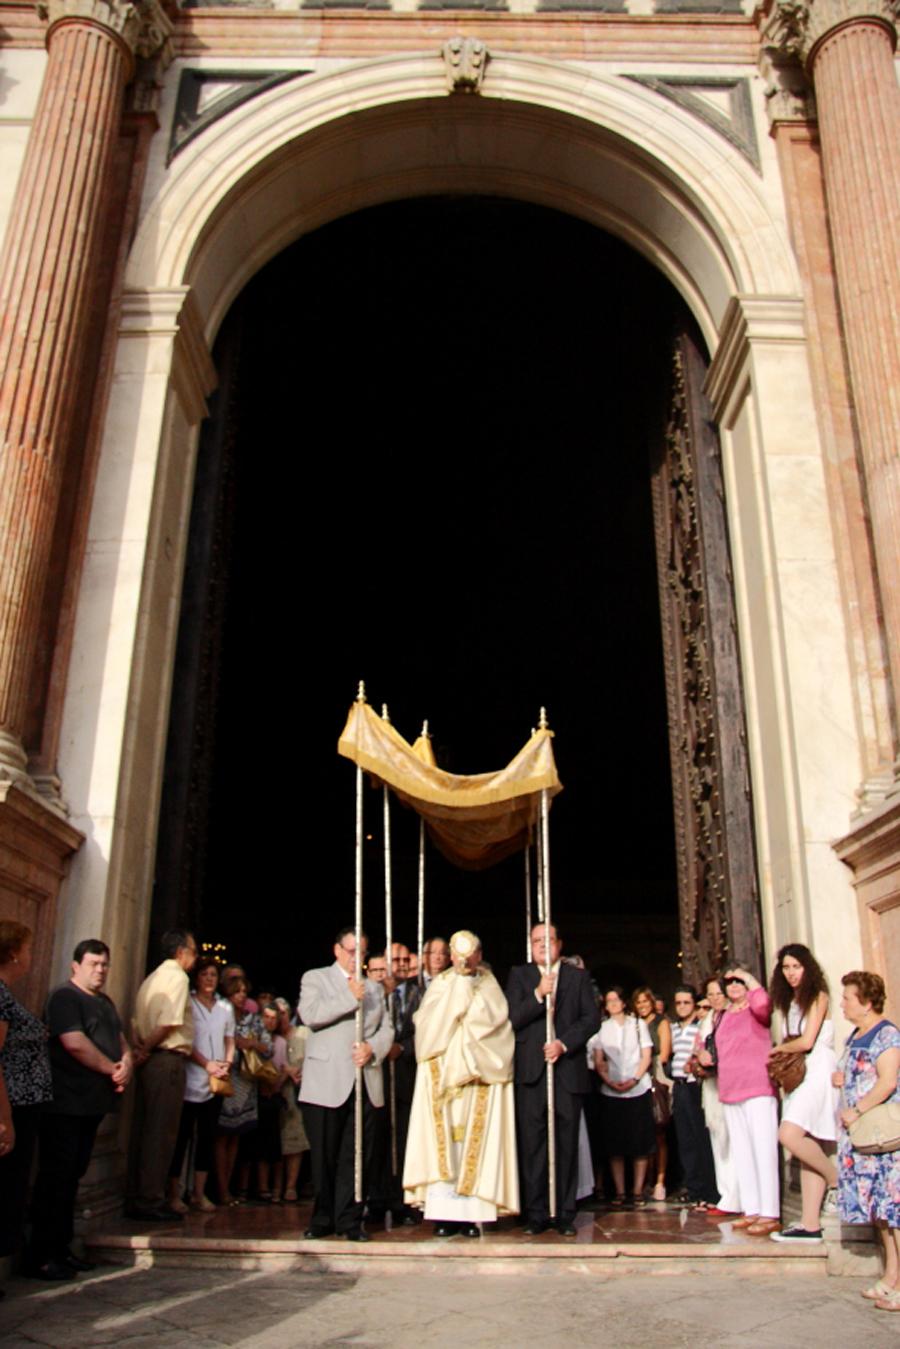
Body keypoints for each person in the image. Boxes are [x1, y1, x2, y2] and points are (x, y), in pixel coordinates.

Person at [26, 939, 131, 1280]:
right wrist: (111, 1068)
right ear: (75, 965)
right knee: (55, 1179)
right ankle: (41, 1254)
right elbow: (74, 1043)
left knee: (72, 1178)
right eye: (93, 963)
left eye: (104, 964)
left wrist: (126, 1061)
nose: (100, 970)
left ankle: (62, 1249)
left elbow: (120, 1038)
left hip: (91, 1106)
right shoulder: (64, 998)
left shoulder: (104, 1002)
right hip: (64, 1104)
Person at [404, 930, 519, 1236]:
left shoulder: (489, 983)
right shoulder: (441, 984)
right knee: (444, 1147)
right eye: (457, 955)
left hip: (478, 1075)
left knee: (474, 1144)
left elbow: (497, 1023)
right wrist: (456, 1001)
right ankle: (444, 1216)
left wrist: (467, 1005)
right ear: (452, 957)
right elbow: (427, 1024)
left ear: (479, 955)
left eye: (470, 954)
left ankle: (470, 1216)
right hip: (442, 1078)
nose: (463, 960)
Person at [299, 927, 394, 1241]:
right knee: (325, 1153)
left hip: (364, 1079)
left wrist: (373, 1048)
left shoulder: (376, 989)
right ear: (337, 950)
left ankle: (350, 1219)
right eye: (352, 951)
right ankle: (323, 1217)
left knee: (358, 1155)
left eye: (362, 952)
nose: (357, 958)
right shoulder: (316, 978)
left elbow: (386, 1028)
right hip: (326, 1081)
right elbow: (310, 1014)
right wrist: (347, 996)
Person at [506, 922, 598, 1234]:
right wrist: (537, 994)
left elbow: (591, 1019)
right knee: (533, 1145)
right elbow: (511, 1018)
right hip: (532, 1074)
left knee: (565, 1144)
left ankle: (565, 1213)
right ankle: (535, 1213)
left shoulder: (577, 977)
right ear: (530, 946)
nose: (543, 945)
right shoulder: (520, 976)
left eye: (549, 939)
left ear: (560, 944)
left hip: (566, 1072)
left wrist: (563, 1043)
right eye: (536, 940)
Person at [834, 970, 900, 1311]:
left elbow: (888, 1081)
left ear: (868, 1002)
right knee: (883, 1214)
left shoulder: (886, 1035)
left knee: (896, 1210)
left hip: (883, 1136)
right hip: (862, 1138)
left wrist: (857, 1109)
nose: (842, 1004)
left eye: (848, 998)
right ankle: (892, 1277)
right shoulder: (856, 1035)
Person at [767, 943, 839, 1243]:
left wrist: (776, 1050)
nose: (791, 973)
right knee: (806, 1141)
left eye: (796, 966)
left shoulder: (818, 996)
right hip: (798, 1076)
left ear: (807, 967)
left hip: (817, 1070)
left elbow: (807, 1040)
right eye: (786, 967)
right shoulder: (789, 1001)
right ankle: (810, 1223)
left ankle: (836, 1180)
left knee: (789, 1135)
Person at [129, 928, 197, 1219]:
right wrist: (148, 1047)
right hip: (166, 1060)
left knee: (147, 1129)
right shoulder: (178, 977)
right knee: (162, 1133)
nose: (196, 956)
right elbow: (169, 1021)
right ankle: (150, 1201)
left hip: (151, 1062)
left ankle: (142, 1194)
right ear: (181, 952)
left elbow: (135, 1021)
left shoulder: (151, 978)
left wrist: (142, 1048)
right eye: (194, 950)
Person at [0, 921, 53, 1284]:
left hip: (22, 1106)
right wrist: (4, 1120)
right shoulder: (1, 998)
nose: (33, 956)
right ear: (14, 953)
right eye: (30, 948)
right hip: (12, 1109)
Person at [715, 963, 779, 1235]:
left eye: (738, 981)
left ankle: (770, 1211)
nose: (733, 986)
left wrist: (750, 979)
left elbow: (764, 1004)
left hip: (757, 1086)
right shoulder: (724, 1014)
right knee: (742, 1153)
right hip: (730, 1089)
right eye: (728, 982)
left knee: (763, 1149)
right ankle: (752, 1208)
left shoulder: (757, 1007)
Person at [167, 955, 234, 1214]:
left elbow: (230, 1039)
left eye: (213, 975)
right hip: (191, 1077)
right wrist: (206, 1063)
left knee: (207, 1137)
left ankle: (199, 1192)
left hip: (216, 1081)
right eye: (205, 974)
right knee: (181, 1137)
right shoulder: (189, 1004)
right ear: (197, 977)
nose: (209, 979)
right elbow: (185, 1040)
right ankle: (174, 1192)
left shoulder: (225, 1008)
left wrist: (226, 1064)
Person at [588, 986, 655, 1207]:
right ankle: (619, 1191)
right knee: (614, 1144)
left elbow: (646, 1055)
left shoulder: (638, 1025)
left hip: (638, 1087)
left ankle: (636, 1190)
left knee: (639, 1142)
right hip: (612, 1089)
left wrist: (634, 1079)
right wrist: (610, 1082)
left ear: (624, 1003)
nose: (613, 1004)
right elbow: (599, 1059)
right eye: (609, 1001)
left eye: (616, 1000)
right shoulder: (601, 1028)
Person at [214, 973, 268, 1204]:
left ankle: (229, 1187)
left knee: (236, 1137)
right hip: (224, 1076)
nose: (241, 995)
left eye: (244, 991)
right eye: (237, 991)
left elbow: (267, 1047)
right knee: (221, 1135)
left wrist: (252, 1043)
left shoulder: (252, 1018)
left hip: (245, 1080)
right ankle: (220, 1189)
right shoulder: (219, 1013)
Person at [668, 984, 718, 1209]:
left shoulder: (701, 1026)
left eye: (686, 1002)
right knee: (685, 1139)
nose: (682, 1007)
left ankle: (709, 1190)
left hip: (695, 1085)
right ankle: (693, 1187)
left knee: (701, 1138)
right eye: (678, 1003)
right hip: (679, 1085)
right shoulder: (673, 1027)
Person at [694, 977, 740, 1217]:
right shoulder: (707, 1021)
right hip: (712, 1085)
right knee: (718, 1138)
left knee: (735, 1138)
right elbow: (698, 1047)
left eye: (718, 993)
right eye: (710, 994)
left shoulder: (734, 1016)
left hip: (732, 1083)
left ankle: (739, 1196)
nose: (714, 999)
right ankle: (725, 1195)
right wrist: (699, 1059)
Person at [632, 985, 672, 1201]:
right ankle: (644, 1181)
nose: (642, 1006)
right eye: (638, 1003)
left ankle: (660, 1180)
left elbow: (664, 1054)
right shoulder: (634, 1024)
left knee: (659, 1132)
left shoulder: (661, 1022)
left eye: (645, 1001)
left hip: (656, 1077)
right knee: (642, 1133)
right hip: (637, 1079)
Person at [274, 997, 308, 1202]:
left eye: (283, 1013)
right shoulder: (270, 1038)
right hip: (273, 1091)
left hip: (296, 1093)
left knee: (295, 1138)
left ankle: (291, 1186)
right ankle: (276, 1187)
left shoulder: (302, 1033)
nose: (280, 1018)